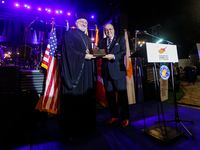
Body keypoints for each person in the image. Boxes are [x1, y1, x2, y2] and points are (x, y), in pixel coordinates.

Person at [60, 12, 96, 140]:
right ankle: (72, 130)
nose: (84, 24)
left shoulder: (87, 38)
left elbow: (89, 52)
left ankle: (86, 126)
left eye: (86, 22)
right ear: (76, 23)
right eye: (82, 22)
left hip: (86, 71)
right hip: (75, 70)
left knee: (86, 97)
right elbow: (68, 51)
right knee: (74, 100)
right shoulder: (70, 34)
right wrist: (83, 56)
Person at [97, 23, 129, 128]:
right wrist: (93, 53)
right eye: (106, 30)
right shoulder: (101, 41)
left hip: (118, 73)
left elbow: (123, 51)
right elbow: (99, 55)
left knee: (122, 97)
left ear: (114, 30)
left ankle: (125, 118)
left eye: (110, 29)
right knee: (110, 97)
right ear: (104, 32)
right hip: (106, 73)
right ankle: (114, 116)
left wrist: (113, 56)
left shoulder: (120, 39)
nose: (108, 31)